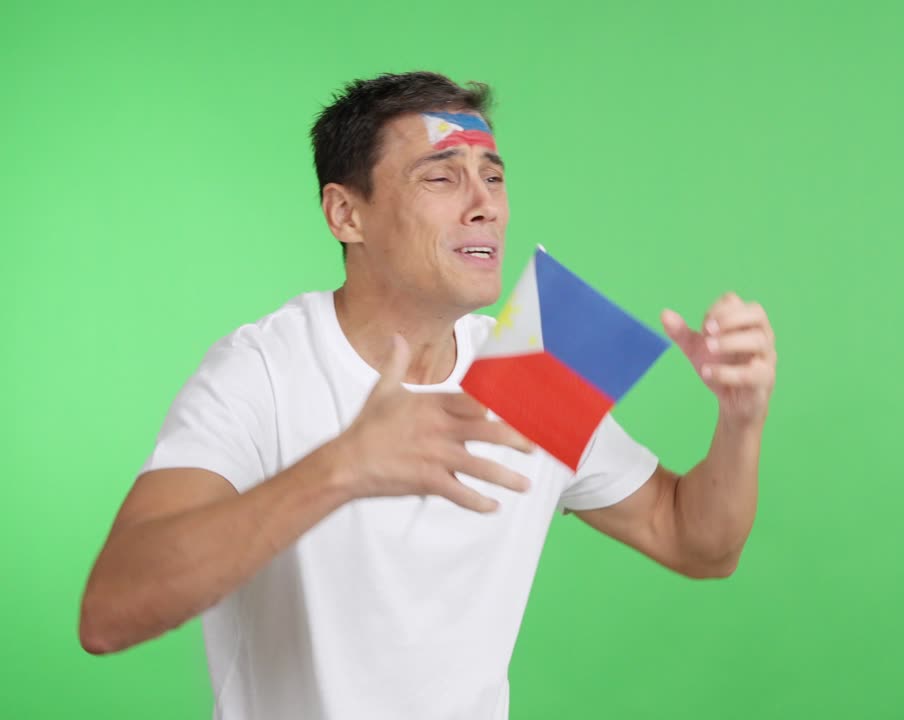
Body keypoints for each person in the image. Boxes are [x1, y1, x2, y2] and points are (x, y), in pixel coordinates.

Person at [78, 71, 777, 719]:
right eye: (442, 178)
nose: (486, 207)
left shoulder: (533, 361)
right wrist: (343, 467)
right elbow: (110, 611)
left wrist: (740, 420)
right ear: (346, 214)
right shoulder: (262, 367)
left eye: (493, 176)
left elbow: (698, 543)